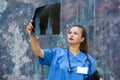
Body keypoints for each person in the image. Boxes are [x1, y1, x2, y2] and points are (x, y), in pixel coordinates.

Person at [26, 21, 102, 80]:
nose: (71, 35)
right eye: (70, 33)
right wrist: (32, 34)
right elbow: (37, 51)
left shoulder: (88, 60)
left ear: (82, 39)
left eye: (75, 33)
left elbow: (96, 79)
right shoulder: (56, 53)